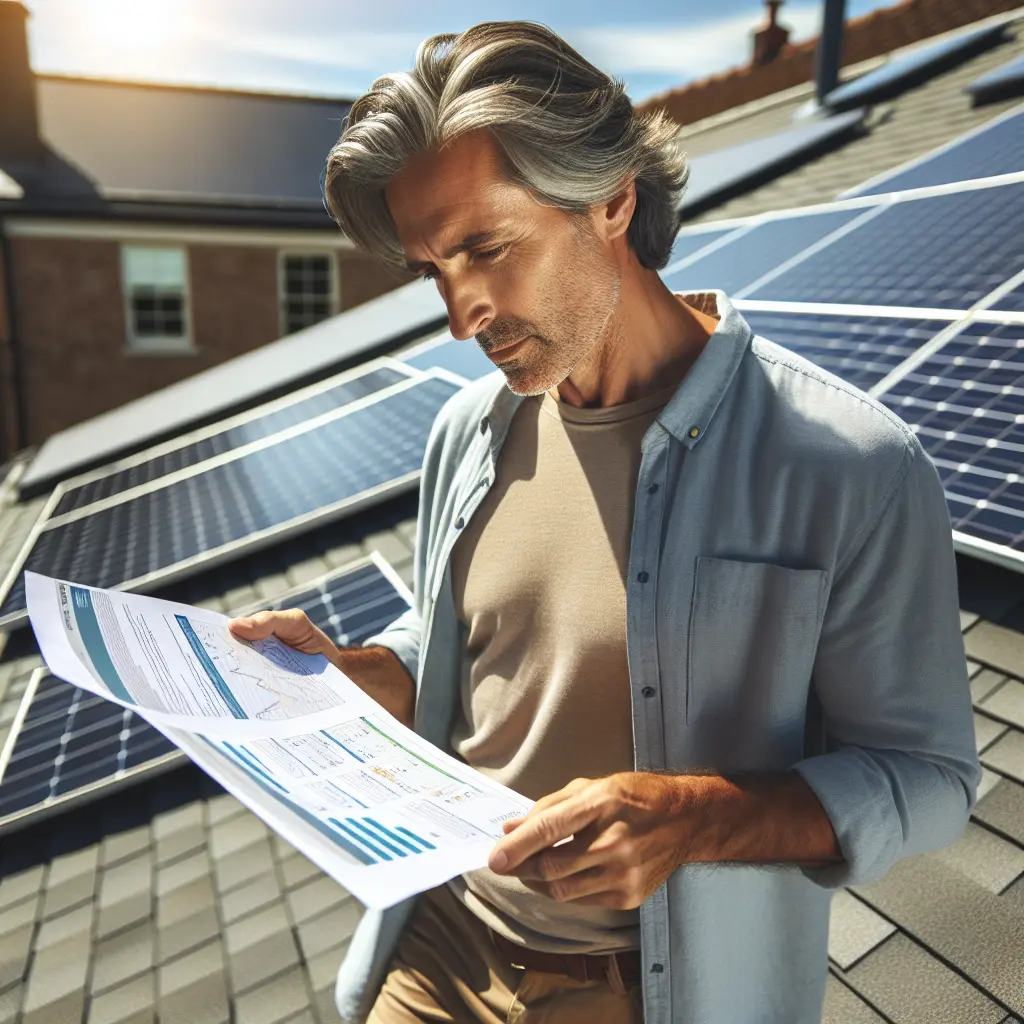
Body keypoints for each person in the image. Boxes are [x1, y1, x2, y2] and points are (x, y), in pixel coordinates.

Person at [228, 21, 982, 1024]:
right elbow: (478, 635)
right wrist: (375, 673)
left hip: (642, 987)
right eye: (432, 270)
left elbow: (927, 777)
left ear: (612, 199)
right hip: (440, 937)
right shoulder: (469, 433)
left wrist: (696, 817)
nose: (460, 315)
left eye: (486, 249)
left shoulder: (849, 465)